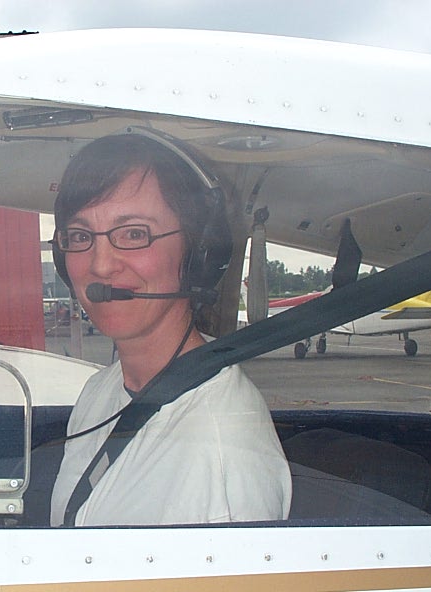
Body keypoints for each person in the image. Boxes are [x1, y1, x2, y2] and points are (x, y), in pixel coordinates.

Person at [48, 132, 291, 526]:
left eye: (133, 234)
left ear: (199, 254)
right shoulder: (100, 392)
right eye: (80, 237)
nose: (101, 265)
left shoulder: (224, 453)